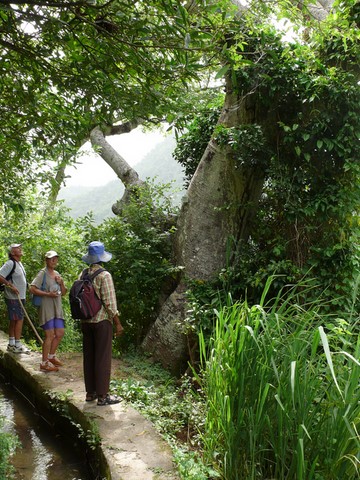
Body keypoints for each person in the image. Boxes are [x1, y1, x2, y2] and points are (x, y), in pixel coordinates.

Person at [80, 241, 123, 406]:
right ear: (102, 258)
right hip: (101, 322)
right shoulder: (105, 275)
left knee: (89, 357)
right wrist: (118, 323)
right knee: (102, 358)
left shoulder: (83, 274)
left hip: (86, 321)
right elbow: (110, 304)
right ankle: (103, 396)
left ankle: (90, 393)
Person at [29, 251, 67, 373]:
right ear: (46, 260)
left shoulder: (57, 274)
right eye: (51, 259)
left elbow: (64, 292)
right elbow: (32, 288)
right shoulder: (42, 274)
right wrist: (48, 294)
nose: (53, 261)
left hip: (57, 309)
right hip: (46, 309)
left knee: (60, 333)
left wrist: (61, 283)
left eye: (55, 259)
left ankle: (51, 356)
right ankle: (44, 363)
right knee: (49, 335)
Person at [0, 243, 30, 353]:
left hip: (20, 297)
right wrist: (11, 286)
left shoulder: (19, 263)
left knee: (14, 320)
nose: (20, 249)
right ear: (12, 252)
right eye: (17, 248)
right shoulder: (9, 263)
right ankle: (17, 345)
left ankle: (12, 343)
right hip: (13, 297)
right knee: (19, 320)